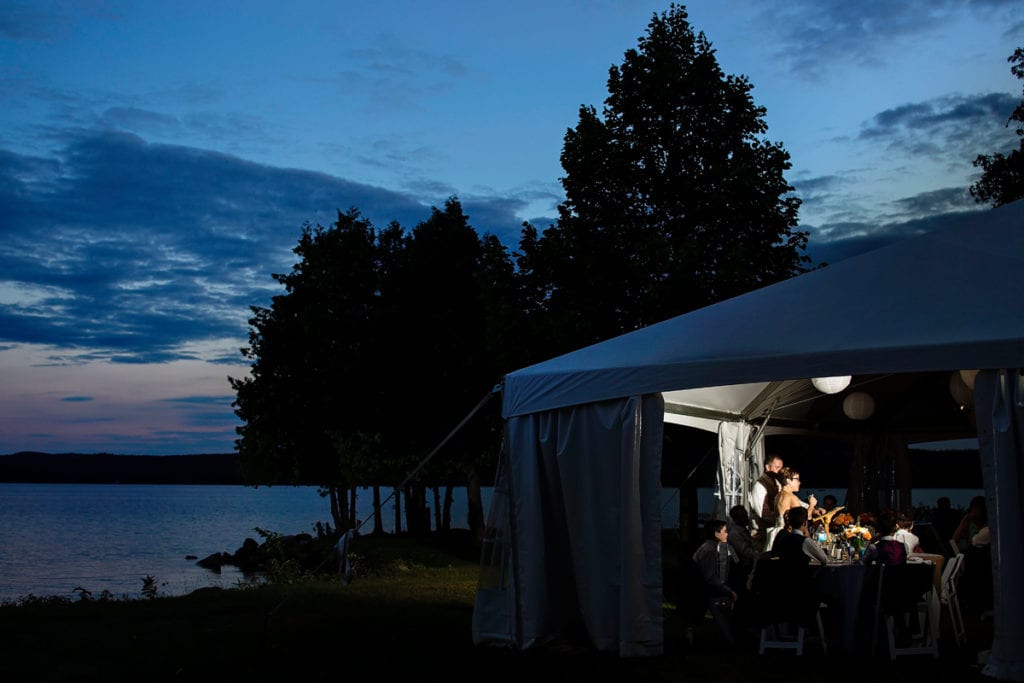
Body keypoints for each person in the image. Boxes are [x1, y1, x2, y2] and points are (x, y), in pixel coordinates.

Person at [693, 518, 740, 604]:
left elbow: (736, 562)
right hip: (706, 593)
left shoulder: (714, 547)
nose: (727, 534)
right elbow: (710, 576)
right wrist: (728, 590)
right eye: (725, 531)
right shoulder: (709, 550)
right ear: (717, 534)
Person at [769, 467, 816, 550]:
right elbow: (802, 519)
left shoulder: (778, 496)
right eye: (797, 479)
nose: (799, 482)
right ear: (788, 480)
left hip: (776, 535)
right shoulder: (791, 497)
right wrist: (812, 504)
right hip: (787, 536)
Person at [748, 454, 784, 549]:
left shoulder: (777, 484)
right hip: (761, 535)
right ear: (768, 467)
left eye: (781, 468)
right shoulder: (760, 485)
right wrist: (781, 520)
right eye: (777, 467)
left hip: (774, 532)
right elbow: (762, 512)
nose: (780, 471)